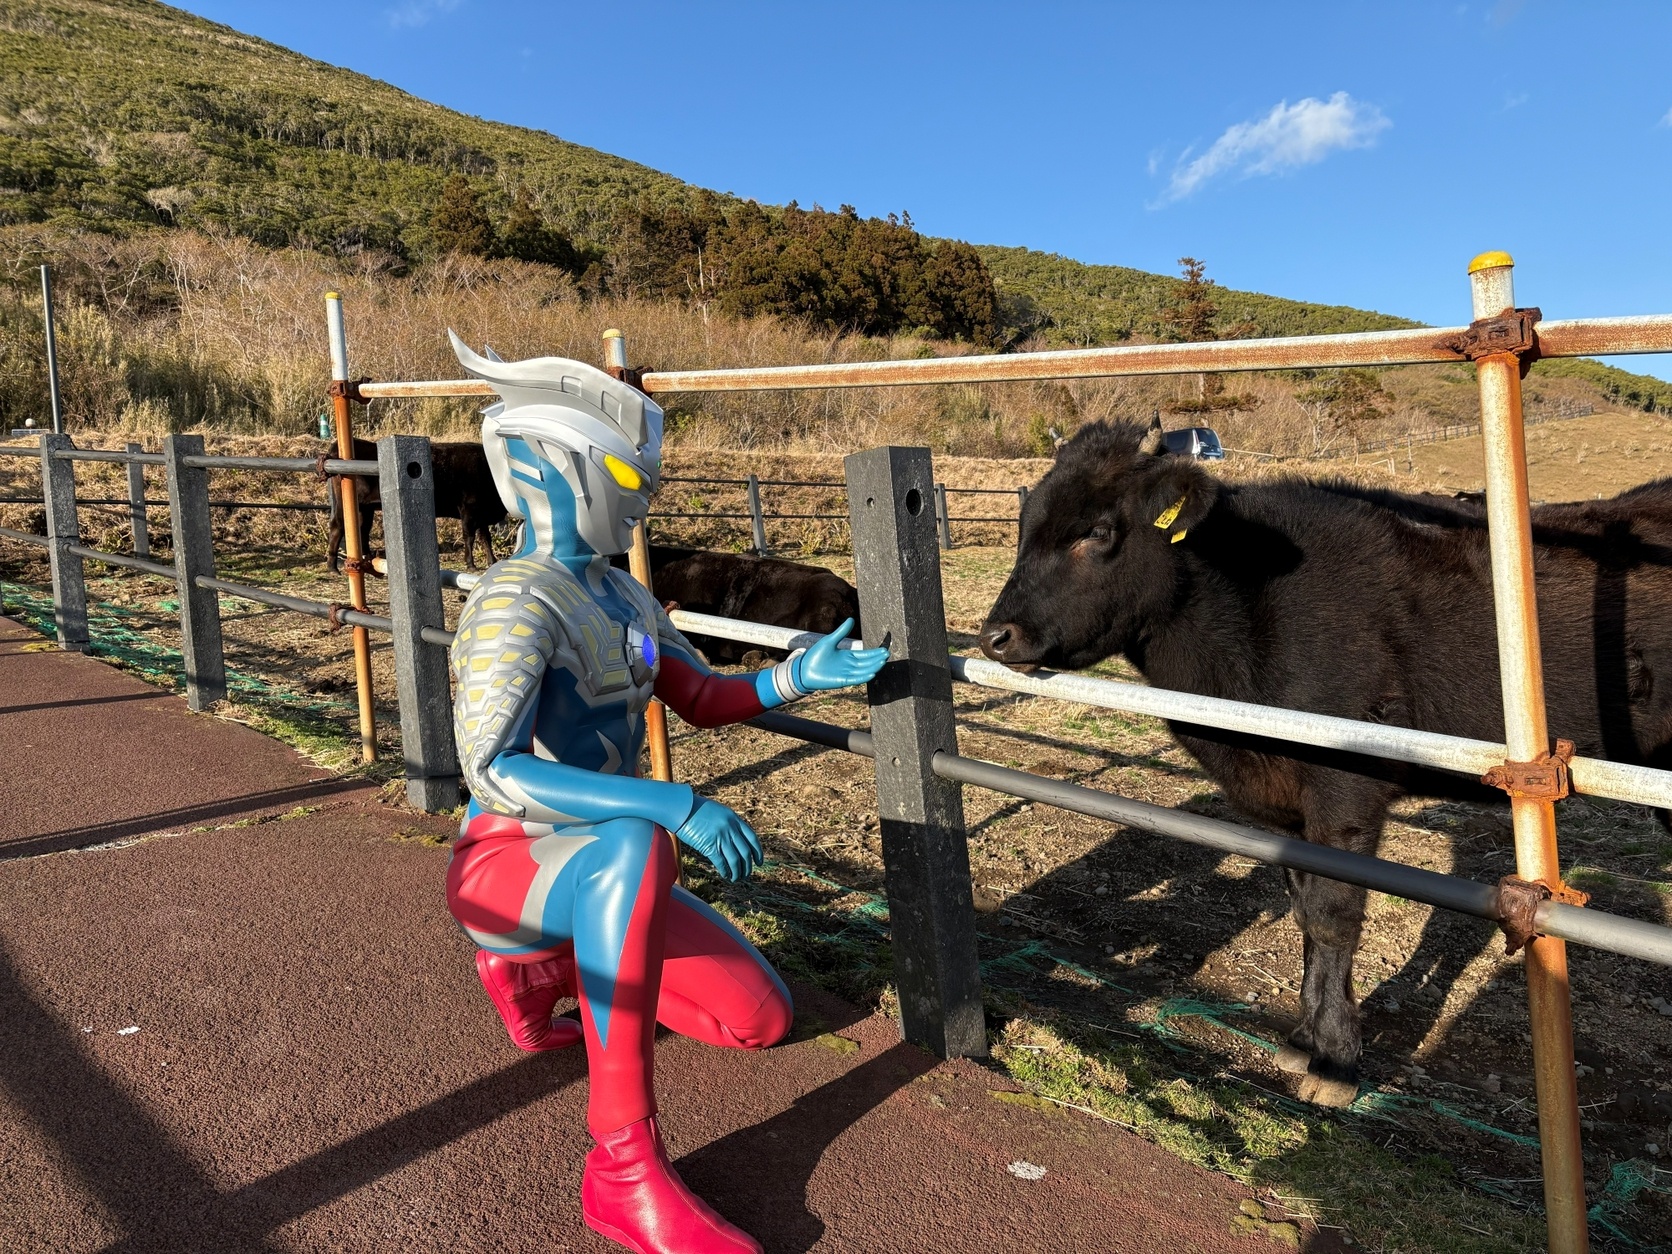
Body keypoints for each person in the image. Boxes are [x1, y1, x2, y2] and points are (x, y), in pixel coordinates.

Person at [443, 333, 887, 1254]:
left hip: (607, 864)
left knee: (758, 1019)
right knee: (637, 844)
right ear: (548, 468)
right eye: (624, 475)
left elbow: (702, 697)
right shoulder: (515, 600)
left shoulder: (626, 598)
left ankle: (550, 969)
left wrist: (800, 676)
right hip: (509, 862)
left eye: (646, 479)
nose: (642, 497)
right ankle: (622, 1165)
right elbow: (494, 769)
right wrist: (673, 805)